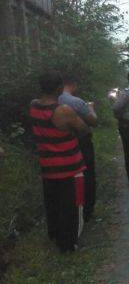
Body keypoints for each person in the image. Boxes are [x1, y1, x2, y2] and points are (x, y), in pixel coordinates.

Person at [29, 71, 90, 252]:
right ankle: (69, 243)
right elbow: (85, 129)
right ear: (58, 88)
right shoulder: (63, 111)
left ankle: (55, 236)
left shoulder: (33, 106)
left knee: (53, 203)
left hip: (48, 167)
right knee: (73, 205)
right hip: (70, 167)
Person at [59, 75, 98, 222]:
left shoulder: (52, 101)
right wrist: (91, 108)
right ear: (73, 84)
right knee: (87, 174)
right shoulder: (76, 102)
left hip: (60, 146)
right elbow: (92, 122)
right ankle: (87, 210)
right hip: (81, 143)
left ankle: (70, 210)